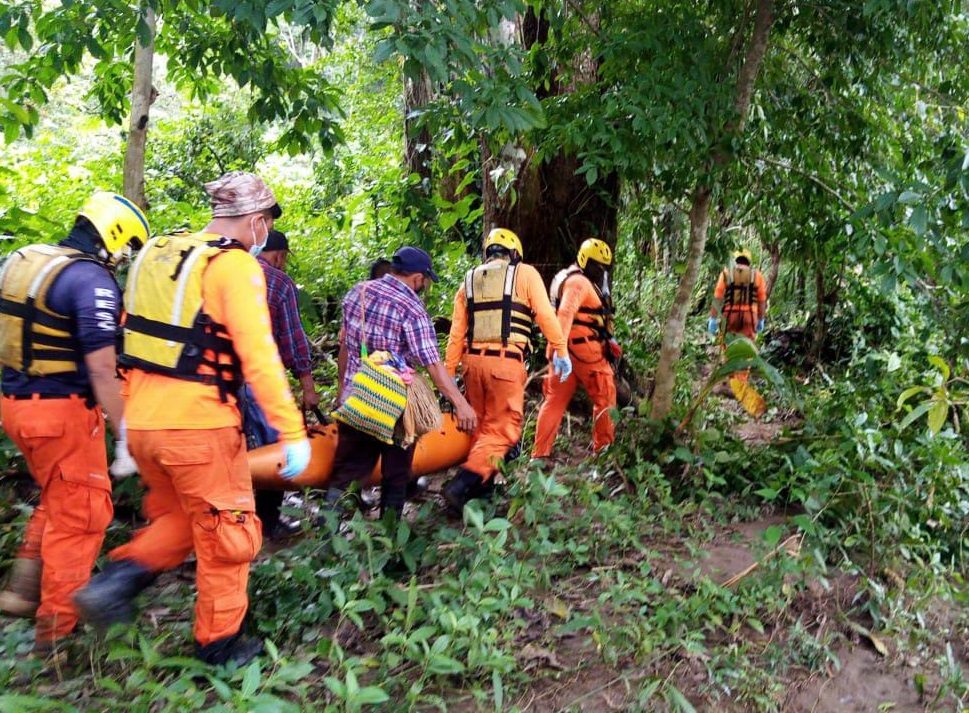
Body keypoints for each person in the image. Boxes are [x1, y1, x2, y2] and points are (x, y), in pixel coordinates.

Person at [73, 171, 311, 667]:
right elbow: (259, 356)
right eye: (266, 224)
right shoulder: (233, 266)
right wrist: (292, 431)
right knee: (229, 533)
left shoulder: (156, 254)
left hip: (144, 425)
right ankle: (218, 646)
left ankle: (116, 583)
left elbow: (129, 341)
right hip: (199, 428)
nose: (265, 233)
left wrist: (124, 429)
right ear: (257, 220)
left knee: (180, 520)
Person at [0, 191, 149, 655]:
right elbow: (103, 371)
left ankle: (24, 588)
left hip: (14, 404)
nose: (124, 259)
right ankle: (55, 636)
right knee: (82, 514)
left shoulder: (25, 261)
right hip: (59, 413)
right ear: (115, 236)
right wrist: (126, 435)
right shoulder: (91, 281)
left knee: (59, 493)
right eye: (127, 248)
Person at [327, 246, 477, 518]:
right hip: (393, 406)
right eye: (426, 281)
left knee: (346, 472)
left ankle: (327, 531)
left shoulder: (358, 292)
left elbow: (345, 347)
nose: (425, 286)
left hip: (356, 398)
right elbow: (433, 365)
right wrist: (461, 404)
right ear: (418, 277)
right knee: (396, 474)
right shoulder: (412, 308)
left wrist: (341, 392)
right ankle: (390, 535)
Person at [441, 228, 572, 512]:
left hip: (472, 365)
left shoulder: (468, 282)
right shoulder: (525, 274)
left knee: (481, 428)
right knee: (503, 430)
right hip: (505, 363)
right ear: (514, 253)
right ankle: (461, 485)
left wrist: (449, 371)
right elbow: (545, 315)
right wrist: (560, 348)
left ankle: (479, 493)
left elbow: (456, 334)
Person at [239, 229, 319, 540]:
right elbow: (292, 340)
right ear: (279, 256)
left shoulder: (225, 270)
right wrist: (308, 387)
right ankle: (269, 523)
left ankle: (231, 520)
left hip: (217, 378)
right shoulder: (278, 283)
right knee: (276, 447)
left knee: (232, 448)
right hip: (258, 380)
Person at [532, 238, 619, 459]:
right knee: (605, 398)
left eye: (603, 267)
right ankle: (604, 450)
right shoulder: (578, 282)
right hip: (583, 353)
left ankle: (540, 455)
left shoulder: (569, 278)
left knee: (554, 401)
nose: (600, 271)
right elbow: (565, 313)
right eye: (596, 265)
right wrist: (560, 350)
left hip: (566, 352)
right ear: (584, 260)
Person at [708, 249, 768, 382]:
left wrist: (713, 318)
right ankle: (740, 382)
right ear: (748, 261)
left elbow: (718, 297)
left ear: (735, 260)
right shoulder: (757, 276)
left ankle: (730, 379)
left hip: (730, 317)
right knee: (745, 349)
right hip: (749, 318)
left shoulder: (726, 273)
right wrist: (761, 319)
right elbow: (762, 301)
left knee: (729, 348)